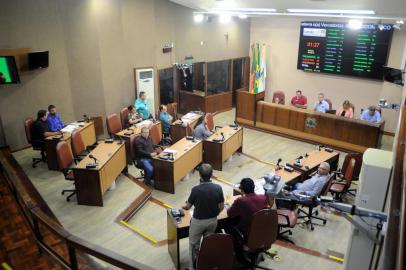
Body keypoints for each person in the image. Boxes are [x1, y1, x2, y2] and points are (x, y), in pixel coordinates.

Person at [182, 164, 224, 270]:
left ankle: (193, 267)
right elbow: (221, 207)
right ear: (212, 174)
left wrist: (184, 205)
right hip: (213, 222)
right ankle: (206, 264)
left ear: (199, 174)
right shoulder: (218, 188)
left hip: (198, 222)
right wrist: (214, 214)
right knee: (207, 244)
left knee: (193, 246)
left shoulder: (195, 189)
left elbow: (187, 207)